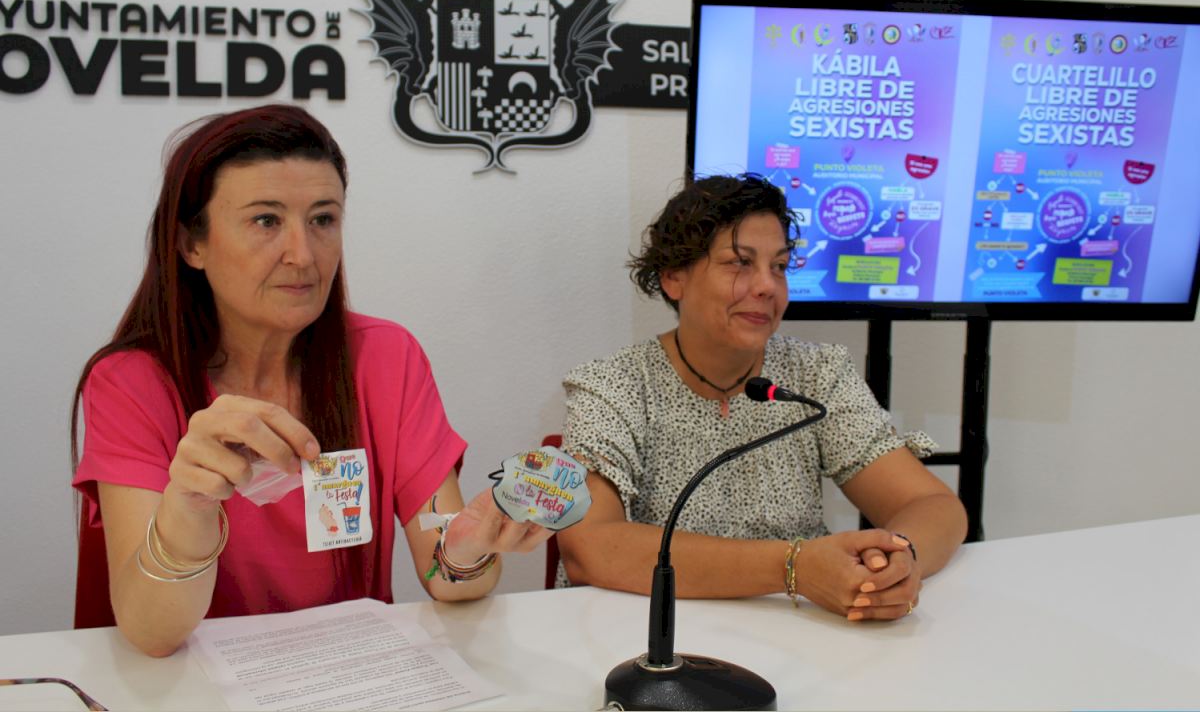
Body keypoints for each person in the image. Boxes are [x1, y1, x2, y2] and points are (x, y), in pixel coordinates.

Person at [71, 104, 551, 657]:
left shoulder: (386, 357)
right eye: (266, 221)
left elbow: (447, 573)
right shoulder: (130, 382)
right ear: (191, 244)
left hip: (352, 676)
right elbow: (153, 634)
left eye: (323, 219)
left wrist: (468, 549)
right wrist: (189, 506)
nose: (302, 255)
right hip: (196, 683)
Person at [555, 175, 967, 622]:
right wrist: (794, 568)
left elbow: (933, 506)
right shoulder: (613, 383)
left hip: (798, 630)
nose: (768, 286)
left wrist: (897, 559)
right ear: (674, 277)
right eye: (740, 263)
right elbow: (589, 547)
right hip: (654, 633)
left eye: (780, 266)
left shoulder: (817, 373)